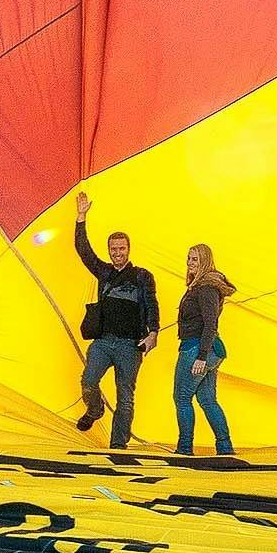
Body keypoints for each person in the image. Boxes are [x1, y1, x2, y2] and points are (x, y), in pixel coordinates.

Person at [69, 191, 159, 449]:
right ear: (109, 251)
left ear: (129, 249)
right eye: (113, 249)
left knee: (125, 397)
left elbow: (152, 304)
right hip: (104, 342)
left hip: (130, 345)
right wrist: (81, 217)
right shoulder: (104, 272)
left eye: (121, 248)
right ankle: (95, 409)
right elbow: (84, 251)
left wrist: (153, 333)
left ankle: (118, 446)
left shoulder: (142, 276)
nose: (117, 252)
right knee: (88, 380)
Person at [170, 244, 235, 457]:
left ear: (205, 262)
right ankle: (225, 447)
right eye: (189, 258)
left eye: (195, 260)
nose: (190, 263)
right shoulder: (202, 286)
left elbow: (210, 323)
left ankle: (185, 447)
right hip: (210, 348)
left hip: (197, 348)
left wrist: (201, 357)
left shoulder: (206, 288)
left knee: (182, 397)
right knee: (207, 400)